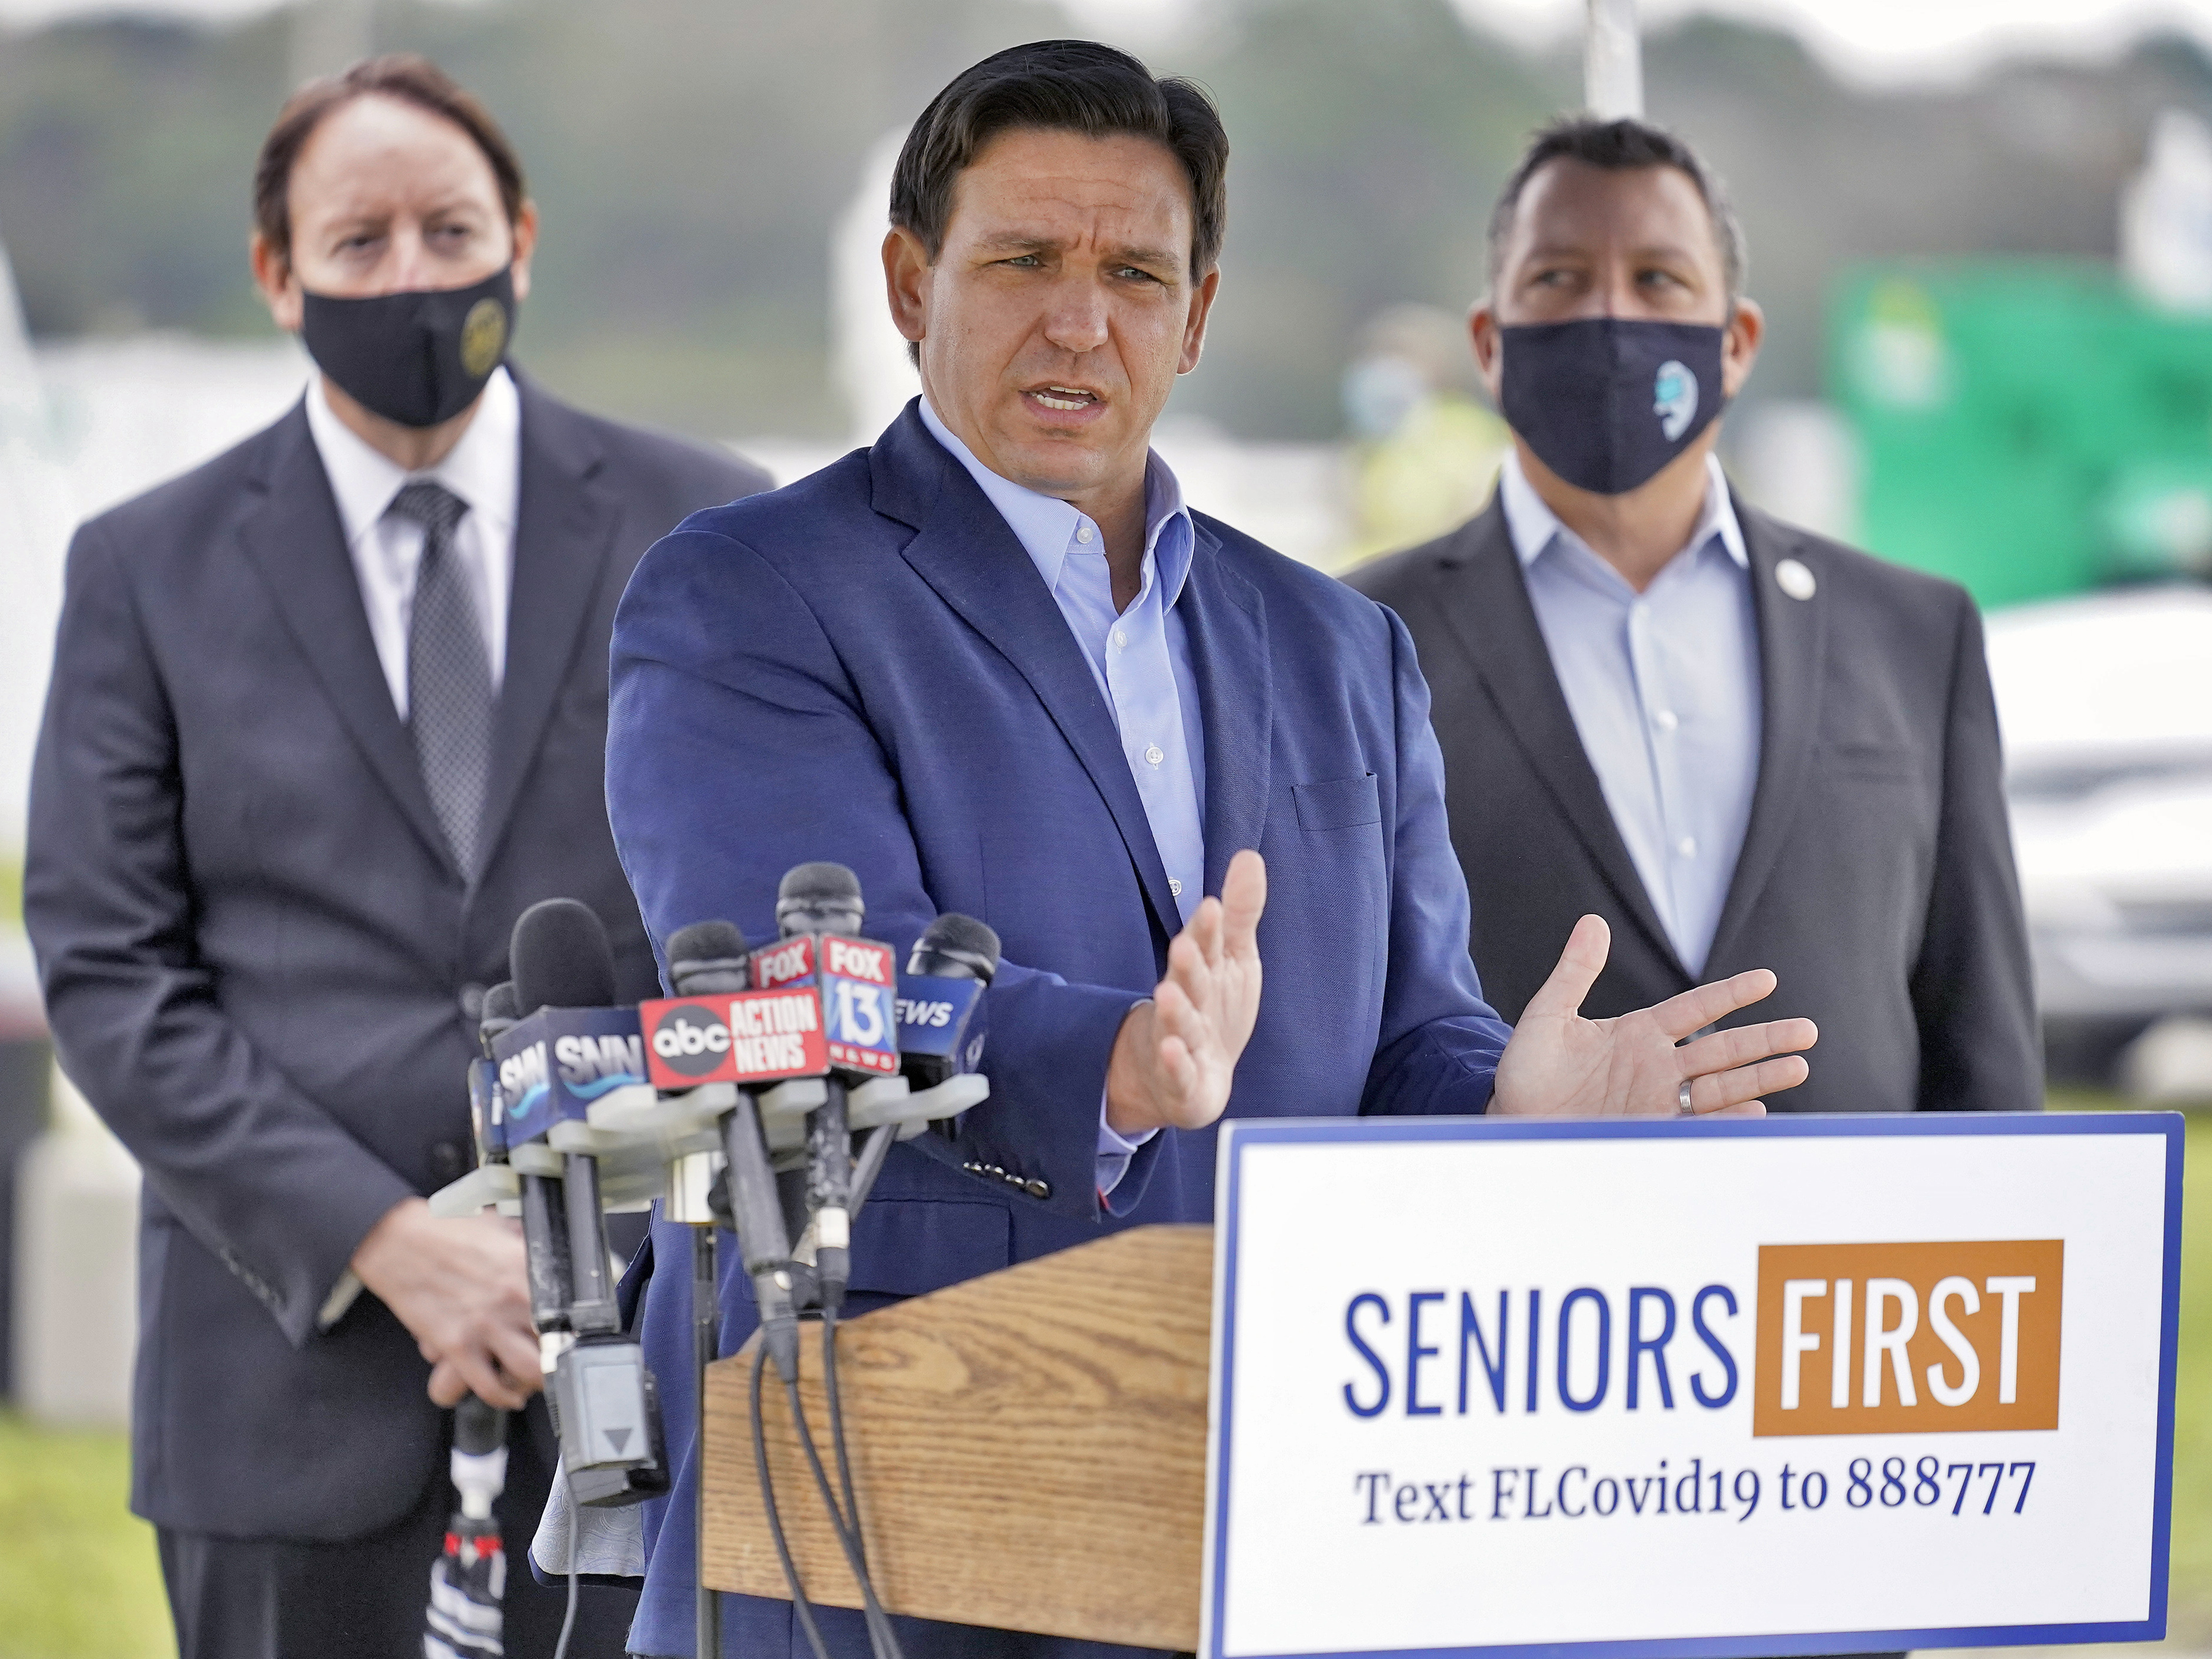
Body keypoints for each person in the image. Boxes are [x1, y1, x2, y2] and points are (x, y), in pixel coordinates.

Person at [602, 42, 1816, 1658]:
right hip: (896, 1490)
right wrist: (1106, 1062)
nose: (1078, 320)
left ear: (1198, 312)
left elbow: (1406, 1030)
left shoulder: (1339, 648)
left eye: (1133, 272)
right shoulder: (749, 591)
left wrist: (1504, 1101)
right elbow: (806, 989)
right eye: (1022, 260)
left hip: (1278, 1495)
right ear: (911, 283)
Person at [23, 53, 766, 1659]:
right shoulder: (143, 568)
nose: (414, 275)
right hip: (278, 1398)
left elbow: (755, 933)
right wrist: (397, 1243)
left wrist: (581, 1254)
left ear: (522, 237)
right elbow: (106, 964)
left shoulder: (705, 531)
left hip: (640, 1377)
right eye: (359, 242)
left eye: (449, 227)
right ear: (277, 276)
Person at [1349, 117, 2038, 1118]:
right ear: (1490, 345)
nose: (1611, 320)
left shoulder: (1912, 634)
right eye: (1559, 279)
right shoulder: (1358, 639)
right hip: (1517, 1259)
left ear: (1737, 342)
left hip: (1842, 1263)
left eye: (1660, 280)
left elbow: (1980, 1034)